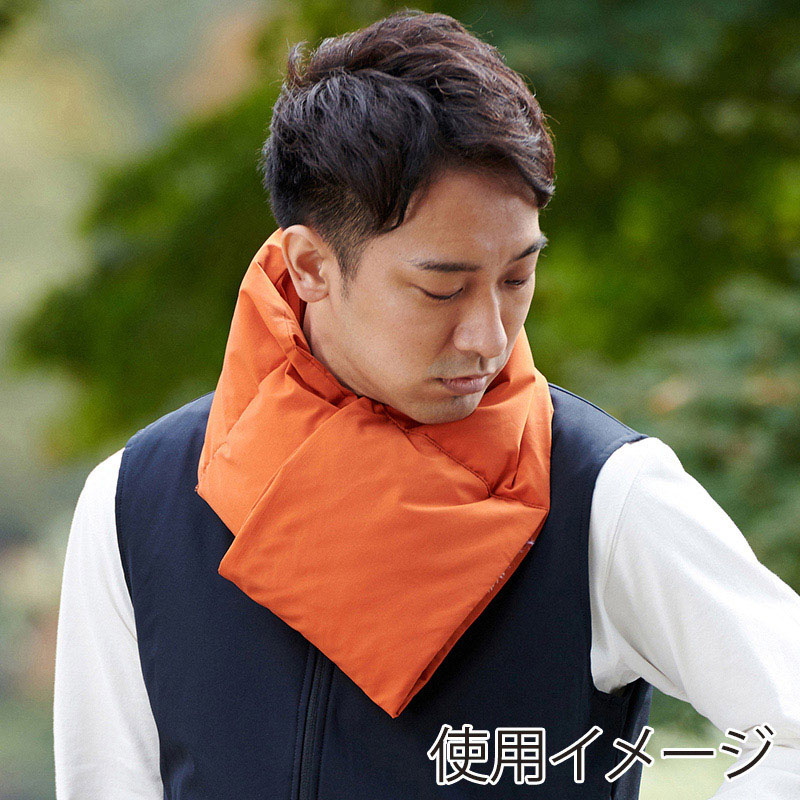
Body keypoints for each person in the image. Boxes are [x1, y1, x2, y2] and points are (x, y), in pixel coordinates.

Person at [53, 9, 800, 799]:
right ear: (310, 267)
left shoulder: (603, 495)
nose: (489, 337)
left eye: (517, 277)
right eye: (441, 288)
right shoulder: (138, 502)